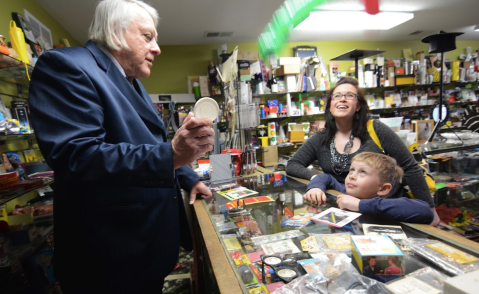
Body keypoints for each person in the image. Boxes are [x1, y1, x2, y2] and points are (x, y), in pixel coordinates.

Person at [28, 0, 214, 293]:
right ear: (115, 32)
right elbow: (77, 155)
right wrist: (171, 154)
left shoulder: (132, 82)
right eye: (147, 36)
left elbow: (149, 143)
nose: (157, 48)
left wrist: (187, 175)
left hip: (145, 248)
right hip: (109, 257)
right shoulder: (66, 65)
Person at [286, 77, 440, 226]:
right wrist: (315, 180)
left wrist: (431, 209)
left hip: (390, 209)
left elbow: (410, 166)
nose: (342, 99)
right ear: (330, 105)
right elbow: (293, 164)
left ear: (358, 106)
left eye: (350, 96)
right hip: (349, 208)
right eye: (337, 96)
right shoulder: (320, 138)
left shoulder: (376, 129)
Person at [306, 152, 434, 224]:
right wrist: (316, 187)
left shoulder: (387, 205)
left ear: (383, 189)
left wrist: (360, 204)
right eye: (352, 170)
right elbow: (327, 177)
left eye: (363, 172)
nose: (352, 176)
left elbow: (425, 210)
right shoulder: (345, 191)